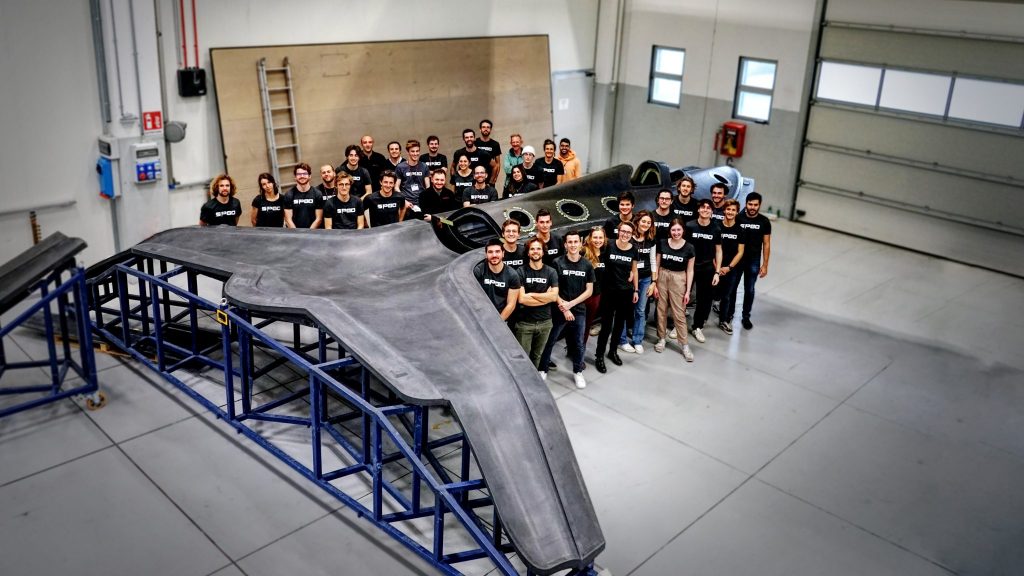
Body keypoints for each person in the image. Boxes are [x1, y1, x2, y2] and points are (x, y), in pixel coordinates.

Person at [539, 230, 594, 388]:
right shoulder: (557, 263)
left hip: (578, 309)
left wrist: (571, 305)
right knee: (550, 340)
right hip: (559, 308)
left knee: (578, 342)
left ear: (580, 243)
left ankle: (578, 371)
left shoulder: (587, 265)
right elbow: (552, 288)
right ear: (565, 244)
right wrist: (564, 307)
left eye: (575, 241)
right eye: (570, 242)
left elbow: (589, 291)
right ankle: (543, 368)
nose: (573, 245)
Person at [594, 220, 638, 374]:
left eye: (629, 232)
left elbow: (634, 270)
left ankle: (612, 351)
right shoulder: (609, 245)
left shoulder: (634, 250)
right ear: (618, 231)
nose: (625, 234)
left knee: (619, 324)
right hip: (609, 292)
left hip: (625, 292)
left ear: (632, 235)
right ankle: (599, 355)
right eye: (623, 231)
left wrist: (636, 290)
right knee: (606, 326)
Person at [514, 238, 559, 373]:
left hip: (545, 322)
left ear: (543, 252)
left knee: (537, 356)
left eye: (538, 248)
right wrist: (546, 297)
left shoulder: (551, 272)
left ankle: (533, 380)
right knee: (523, 358)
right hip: (524, 324)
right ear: (528, 253)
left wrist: (532, 295)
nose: (535, 251)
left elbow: (554, 297)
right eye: (532, 249)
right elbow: (522, 299)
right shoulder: (520, 271)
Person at [654, 219, 695, 361]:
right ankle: (661, 338)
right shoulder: (662, 243)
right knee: (661, 309)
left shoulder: (689, 247)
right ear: (669, 231)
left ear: (683, 230)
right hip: (662, 276)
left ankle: (684, 345)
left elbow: (690, 271)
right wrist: (655, 283)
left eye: (678, 230)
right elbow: (657, 265)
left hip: (679, 278)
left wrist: (688, 291)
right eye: (673, 230)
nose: (676, 233)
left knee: (679, 313)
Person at [619, 210, 657, 354]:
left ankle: (637, 340)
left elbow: (653, 261)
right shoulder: (629, 237)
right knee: (624, 309)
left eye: (648, 222)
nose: (645, 224)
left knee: (640, 310)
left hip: (645, 278)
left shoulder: (651, 239)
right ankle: (622, 340)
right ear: (637, 221)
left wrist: (654, 281)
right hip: (629, 279)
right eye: (643, 221)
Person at [684, 199, 722, 343]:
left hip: (707, 268)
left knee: (704, 299)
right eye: (703, 207)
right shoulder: (690, 226)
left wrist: (717, 272)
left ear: (712, 211)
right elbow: (684, 246)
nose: (705, 209)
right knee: (683, 296)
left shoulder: (716, 228)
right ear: (698, 210)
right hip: (690, 266)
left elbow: (718, 251)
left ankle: (697, 326)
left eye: (708, 208)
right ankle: (678, 325)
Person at [737, 191, 772, 330]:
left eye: (755, 205)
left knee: (749, 289)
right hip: (736, 259)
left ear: (759, 205)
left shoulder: (764, 221)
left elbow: (767, 244)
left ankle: (746, 316)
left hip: (753, 260)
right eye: (750, 204)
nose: (752, 207)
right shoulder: (738, 218)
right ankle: (727, 315)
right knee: (731, 288)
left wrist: (765, 265)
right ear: (746, 204)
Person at [716, 198, 746, 334]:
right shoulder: (717, 226)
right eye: (728, 209)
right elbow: (712, 248)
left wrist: (729, 267)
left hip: (731, 268)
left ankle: (724, 320)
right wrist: (717, 268)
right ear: (724, 210)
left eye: (733, 210)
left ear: (737, 212)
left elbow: (740, 252)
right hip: (716, 266)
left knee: (727, 295)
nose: (730, 212)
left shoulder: (740, 230)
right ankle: (701, 320)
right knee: (709, 294)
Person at [473, 238, 521, 322]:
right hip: (481, 317)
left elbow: (511, 305)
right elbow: (474, 298)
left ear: (503, 253)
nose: (494, 255)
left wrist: (497, 323)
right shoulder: (479, 271)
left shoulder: (512, 275)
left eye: (497, 251)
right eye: (490, 252)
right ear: (486, 254)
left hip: (502, 319)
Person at [582, 226, 607, 344]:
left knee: (587, 323)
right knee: (577, 323)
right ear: (590, 238)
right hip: (581, 295)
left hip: (596, 295)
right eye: (595, 237)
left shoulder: (605, 253)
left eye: (600, 238)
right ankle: (572, 347)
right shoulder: (583, 252)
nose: (598, 240)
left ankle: (581, 347)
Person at [284, 163, 323, 229]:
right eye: (299, 174)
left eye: (305, 173)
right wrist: (297, 233)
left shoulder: (317, 194)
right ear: (295, 177)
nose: (302, 176)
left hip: (313, 232)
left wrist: (308, 233)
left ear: (309, 176)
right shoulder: (289, 195)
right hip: (295, 233)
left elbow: (319, 219)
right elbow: (288, 220)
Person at [395, 139, 429, 209]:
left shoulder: (424, 166)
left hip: (421, 201)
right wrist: (404, 200)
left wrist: (426, 199)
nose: (415, 154)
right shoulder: (400, 167)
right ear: (408, 152)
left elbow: (428, 186)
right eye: (412, 151)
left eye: (417, 151)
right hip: (406, 202)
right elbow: (396, 187)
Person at [475, 119, 502, 186]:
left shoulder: (495, 144)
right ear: (480, 129)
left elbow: (498, 163)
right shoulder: (475, 142)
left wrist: (495, 178)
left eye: (488, 127)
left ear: (490, 129)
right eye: (483, 127)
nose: (486, 129)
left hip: (490, 177)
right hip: (476, 177)